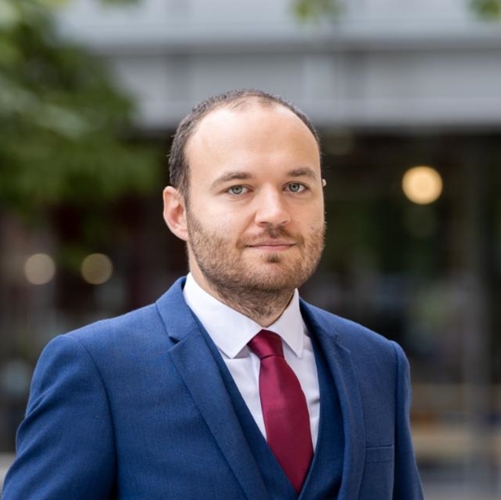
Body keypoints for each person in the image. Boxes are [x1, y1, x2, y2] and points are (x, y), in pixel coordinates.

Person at [2, 89, 424, 499]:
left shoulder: (378, 363)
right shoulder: (98, 368)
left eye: (296, 186)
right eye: (238, 188)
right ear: (178, 213)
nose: (275, 213)